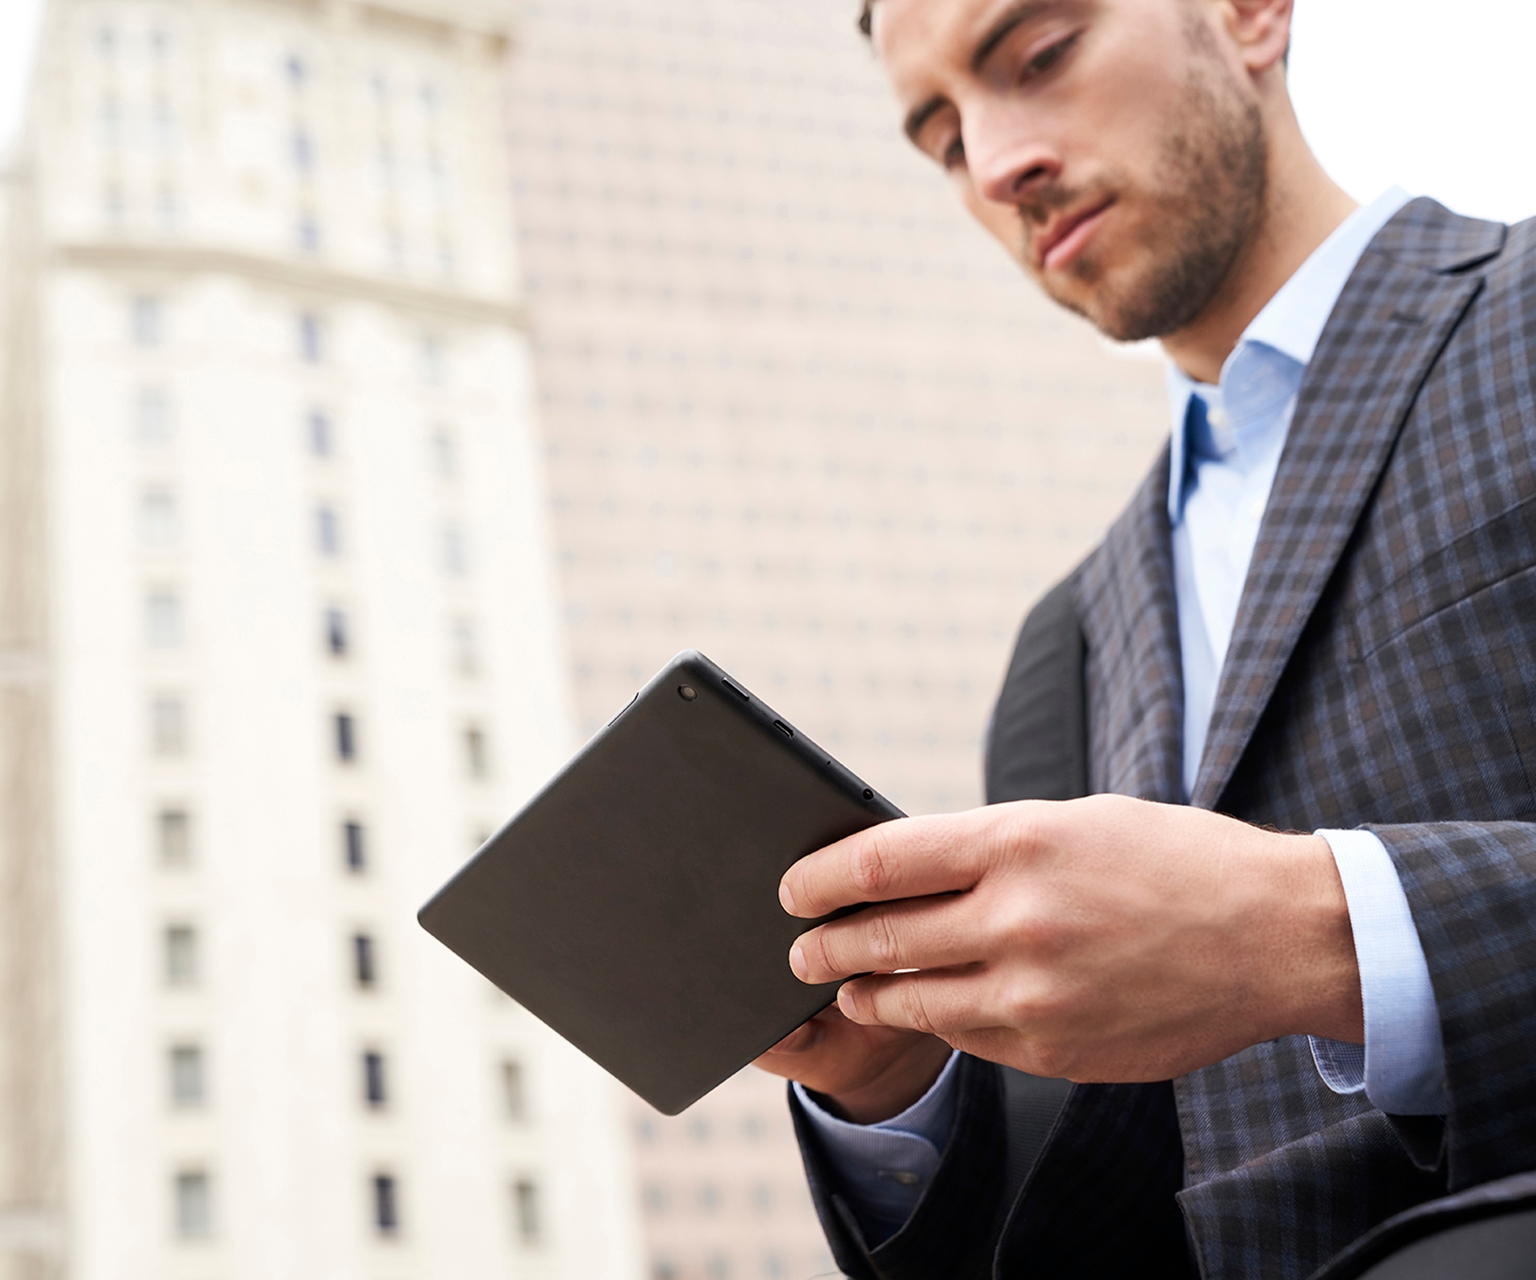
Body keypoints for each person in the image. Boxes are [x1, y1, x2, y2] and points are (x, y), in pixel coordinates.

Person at [751, 1, 1536, 1276]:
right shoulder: (1062, 643)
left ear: (1246, 14)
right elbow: (1072, 1203)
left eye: (1039, 56)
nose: (1000, 165)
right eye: (945, 139)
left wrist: (1314, 932)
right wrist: (896, 1091)